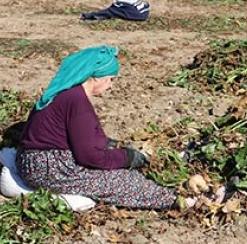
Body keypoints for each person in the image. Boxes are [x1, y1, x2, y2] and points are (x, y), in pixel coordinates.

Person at [16, 45, 178, 210]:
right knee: (126, 181)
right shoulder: (76, 100)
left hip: (32, 162)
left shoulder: (66, 93)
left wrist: (111, 145)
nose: (111, 86)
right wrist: (126, 157)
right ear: (96, 77)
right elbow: (89, 156)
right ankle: (174, 200)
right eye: (110, 79)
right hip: (50, 169)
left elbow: (83, 136)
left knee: (122, 173)